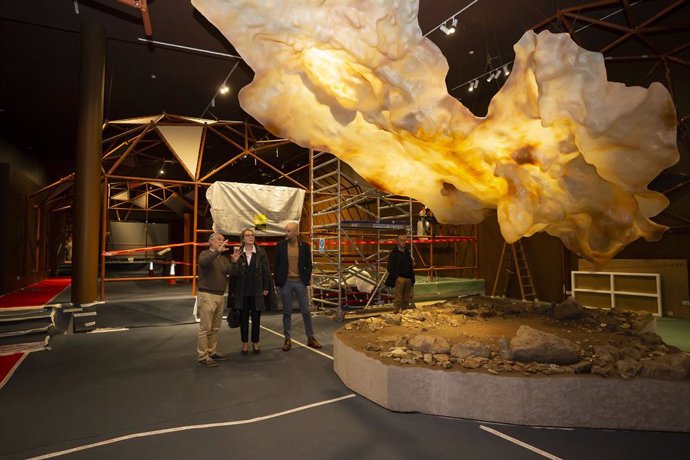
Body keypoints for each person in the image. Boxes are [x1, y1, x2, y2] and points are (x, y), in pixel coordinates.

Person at [274, 222, 322, 351]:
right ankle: (287, 339)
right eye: (286, 231)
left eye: (289, 231)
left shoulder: (305, 246)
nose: (286, 233)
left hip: (300, 283)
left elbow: (309, 265)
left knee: (306, 311)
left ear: (296, 233)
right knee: (287, 312)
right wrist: (278, 283)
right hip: (286, 284)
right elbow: (276, 265)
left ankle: (311, 338)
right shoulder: (280, 246)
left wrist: (305, 279)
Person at [228, 228, 271, 355]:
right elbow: (233, 274)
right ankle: (244, 343)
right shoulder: (238, 253)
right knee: (243, 319)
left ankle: (255, 342)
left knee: (257, 319)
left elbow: (266, 272)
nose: (251, 237)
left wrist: (266, 287)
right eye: (247, 235)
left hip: (257, 291)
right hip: (242, 292)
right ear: (243, 239)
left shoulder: (261, 252)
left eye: (252, 235)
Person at [196, 232, 234, 367]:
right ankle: (202, 356)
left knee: (215, 327)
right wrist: (217, 252)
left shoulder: (223, 258)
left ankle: (211, 352)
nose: (221, 242)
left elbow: (230, 272)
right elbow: (204, 262)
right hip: (207, 295)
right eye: (218, 239)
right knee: (205, 328)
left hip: (219, 295)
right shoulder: (205, 254)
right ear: (210, 242)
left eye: (223, 240)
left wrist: (234, 261)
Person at [385, 234, 416, 313]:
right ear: (397, 241)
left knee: (406, 297)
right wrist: (397, 277)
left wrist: (413, 265)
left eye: (405, 240)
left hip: (408, 277)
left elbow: (411, 264)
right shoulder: (394, 253)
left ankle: (405, 311)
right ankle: (396, 311)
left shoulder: (407, 252)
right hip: (400, 278)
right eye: (401, 240)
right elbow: (390, 267)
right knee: (398, 297)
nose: (404, 242)